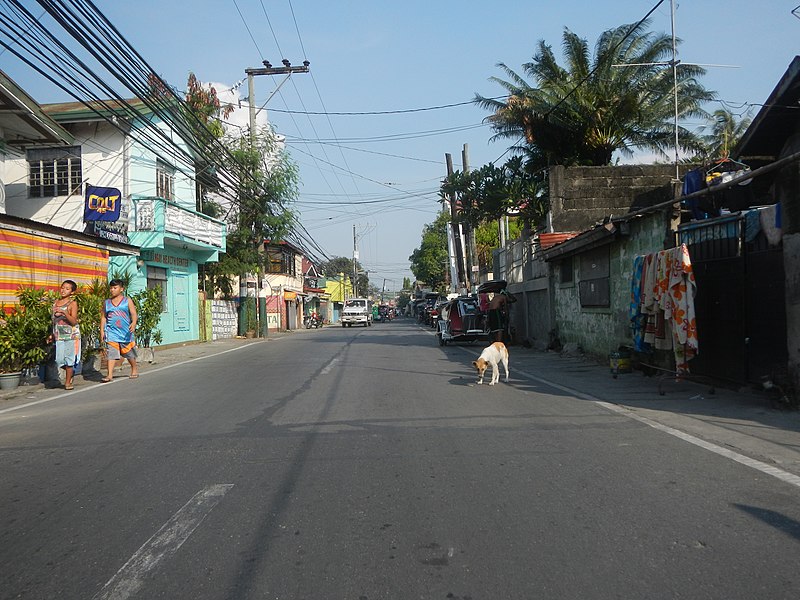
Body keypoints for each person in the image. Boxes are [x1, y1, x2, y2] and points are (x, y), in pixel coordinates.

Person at [100, 279, 138, 382]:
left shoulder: (127, 301)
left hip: (125, 332)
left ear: (121, 289)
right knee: (111, 353)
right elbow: (103, 317)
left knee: (128, 353)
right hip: (111, 332)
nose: (112, 290)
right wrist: (102, 331)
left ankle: (134, 368)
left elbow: (133, 313)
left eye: (115, 288)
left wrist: (133, 323)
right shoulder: (107, 303)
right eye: (111, 288)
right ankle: (109, 375)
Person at [51, 280, 81, 390]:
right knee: (59, 360)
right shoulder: (55, 303)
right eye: (63, 287)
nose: (64, 290)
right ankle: (70, 371)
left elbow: (74, 321)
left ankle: (68, 382)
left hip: (70, 336)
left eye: (67, 289)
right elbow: (53, 321)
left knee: (69, 359)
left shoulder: (72, 304)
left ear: (72, 292)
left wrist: (64, 313)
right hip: (59, 335)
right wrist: (51, 334)